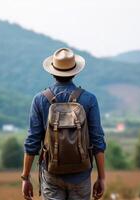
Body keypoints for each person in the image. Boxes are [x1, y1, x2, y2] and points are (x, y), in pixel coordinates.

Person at [21, 48, 106, 200]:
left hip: (51, 173)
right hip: (81, 174)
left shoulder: (40, 100)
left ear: (52, 71)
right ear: (75, 72)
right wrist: (101, 178)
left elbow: (32, 142)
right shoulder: (89, 99)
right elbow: (98, 141)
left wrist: (25, 178)